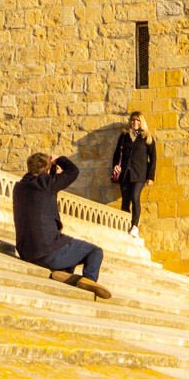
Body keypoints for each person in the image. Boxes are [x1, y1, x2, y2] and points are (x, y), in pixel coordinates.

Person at [12, 150, 112, 300]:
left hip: (26, 252)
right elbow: (73, 171)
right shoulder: (47, 184)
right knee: (95, 252)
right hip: (47, 250)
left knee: (66, 245)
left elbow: (42, 197)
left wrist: (51, 173)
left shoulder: (19, 187)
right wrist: (59, 159)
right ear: (47, 169)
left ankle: (64, 271)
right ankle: (89, 279)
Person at [110, 111, 157, 234]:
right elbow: (116, 154)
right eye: (133, 120)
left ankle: (135, 225)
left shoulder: (147, 137)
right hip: (125, 173)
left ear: (141, 122)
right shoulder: (124, 136)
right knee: (125, 200)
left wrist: (150, 177)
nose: (135, 123)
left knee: (135, 197)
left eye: (137, 120)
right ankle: (124, 225)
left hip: (140, 174)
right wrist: (115, 166)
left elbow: (153, 158)